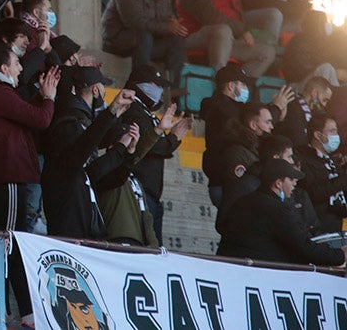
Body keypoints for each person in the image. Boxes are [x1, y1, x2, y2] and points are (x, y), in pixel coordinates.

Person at [0, 46, 59, 322]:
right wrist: (49, 99)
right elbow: (41, 119)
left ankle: (22, 310)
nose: (21, 68)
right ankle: (7, 308)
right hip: (7, 177)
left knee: (14, 242)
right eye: (17, 64)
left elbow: (25, 114)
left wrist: (40, 96)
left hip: (8, 177)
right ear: (3, 68)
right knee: (9, 243)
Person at [41, 67, 136, 239]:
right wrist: (111, 111)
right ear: (95, 90)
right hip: (69, 225)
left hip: (86, 224)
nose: (105, 92)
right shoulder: (68, 120)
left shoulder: (82, 121)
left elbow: (99, 176)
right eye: (103, 87)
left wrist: (128, 152)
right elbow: (80, 161)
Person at [217, 159, 347, 266]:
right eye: (291, 179)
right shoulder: (276, 209)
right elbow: (302, 246)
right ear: (278, 183)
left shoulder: (243, 201)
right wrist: (340, 255)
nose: (295, 184)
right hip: (257, 274)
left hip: (229, 268)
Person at [118, 65, 192, 244]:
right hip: (139, 191)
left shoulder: (144, 111)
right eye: (154, 84)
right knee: (146, 249)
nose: (158, 89)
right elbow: (151, 146)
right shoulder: (132, 110)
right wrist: (173, 138)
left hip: (150, 192)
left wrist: (171, 137)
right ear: (140, 84)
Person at [101, 0, 187, 84]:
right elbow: (135, 22)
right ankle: (141, 84)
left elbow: (167, 18)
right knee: (144, 36)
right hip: (117, 41)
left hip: (147, 41)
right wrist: (167, 27)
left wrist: (174, 24)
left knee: (177, 40)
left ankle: (173, 89)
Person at [201, 63, 251, 207]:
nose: (246, 90)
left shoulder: (221, 107)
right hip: (227, 183)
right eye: (243, 85)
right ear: (230, 86)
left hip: (221, 183)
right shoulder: (224, 109)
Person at [297, 112, 347, 235]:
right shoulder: (304, 160)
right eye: (332, 131)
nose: (336, 136)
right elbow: (314, 192)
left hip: (341, 219)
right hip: (325, 226)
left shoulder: (330, 159)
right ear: (317, 135)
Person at [218, 102, 273, 190]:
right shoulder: (237, 152)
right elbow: (238, 189)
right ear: (253, 125)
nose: (272, 127)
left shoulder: (256, 147)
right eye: (268, 122)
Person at [278, 76, 334, 148]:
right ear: (314, 93)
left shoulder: (313, 114)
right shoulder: (291, 108)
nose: (324, 105)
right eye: (324, 100)